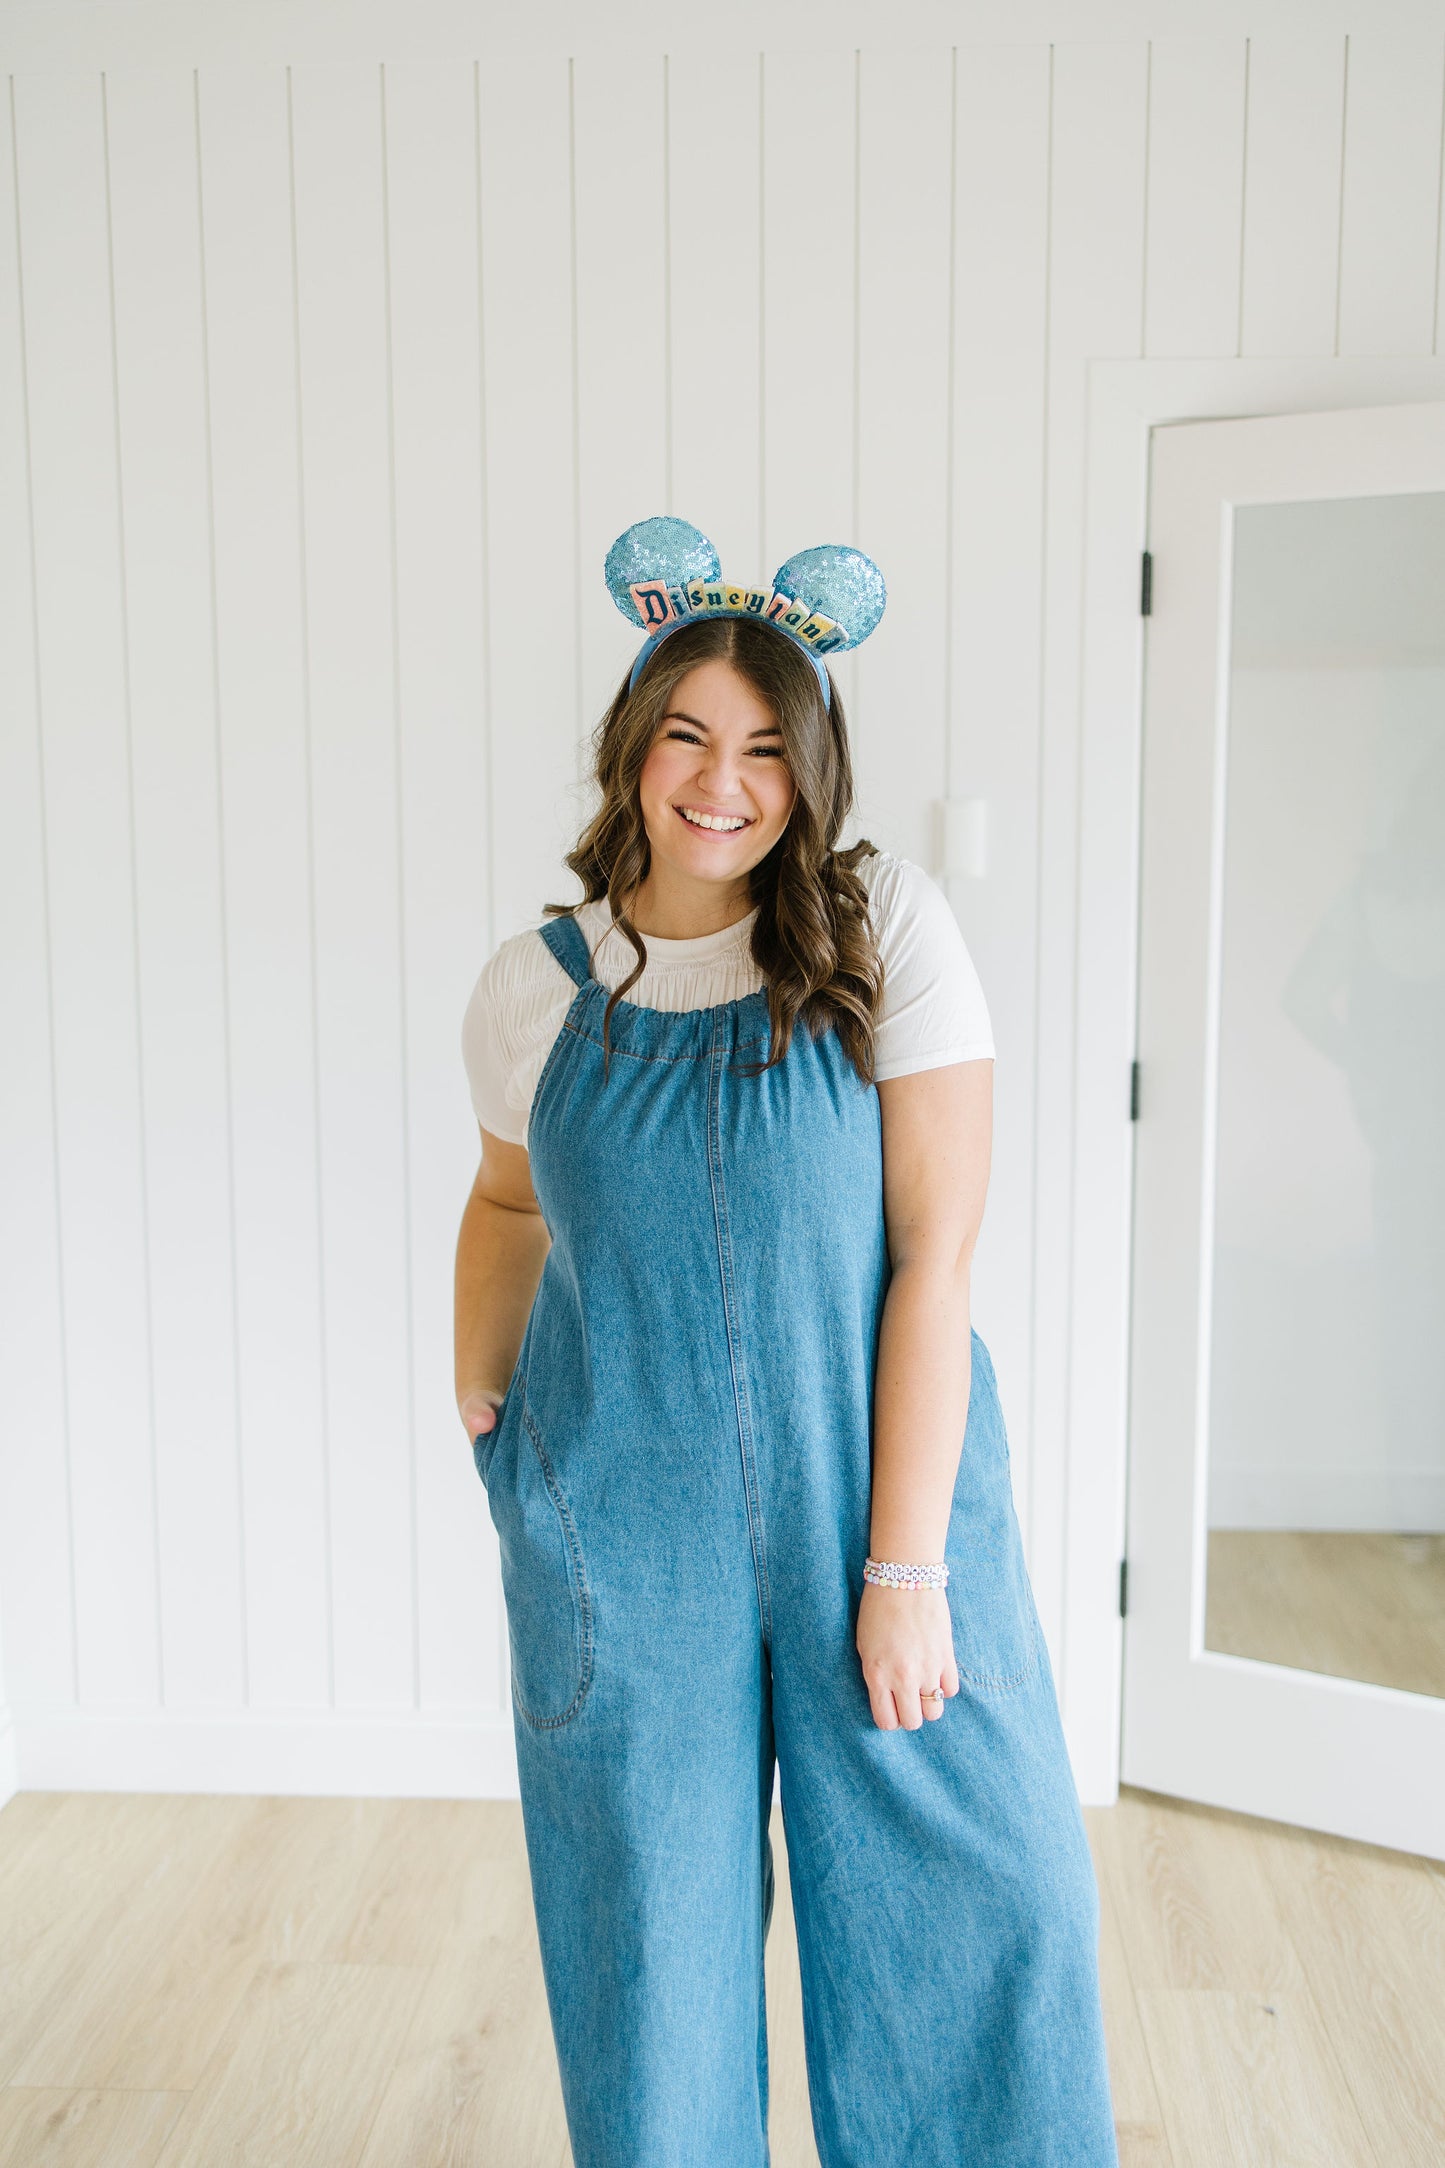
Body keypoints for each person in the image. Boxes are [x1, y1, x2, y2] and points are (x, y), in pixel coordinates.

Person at [453, 518, 1118, 2167]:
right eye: (686, 733)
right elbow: (506, 1206)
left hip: (878, 1506)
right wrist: (489, 1414)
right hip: (624, 1528)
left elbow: (934, 1257)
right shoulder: (534, 988)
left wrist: (901, 1574)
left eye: (764, 747)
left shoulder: (879, 926)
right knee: (649, 1957)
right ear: (633, 743)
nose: (721, 781)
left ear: (809, 769)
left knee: (975, 1906)